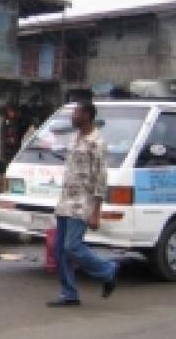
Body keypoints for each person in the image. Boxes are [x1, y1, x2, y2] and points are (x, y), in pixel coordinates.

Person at [48, 100, 118, 307]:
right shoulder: (75, 138)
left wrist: (97, 211)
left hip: (82, 204)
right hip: (65, 202)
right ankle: (69, 293)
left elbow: (101, 179)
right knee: (60, 250)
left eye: (77, 112)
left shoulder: (97, 142)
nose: (73, 116)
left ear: (87, 115)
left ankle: (108, 270)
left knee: (72, 246)